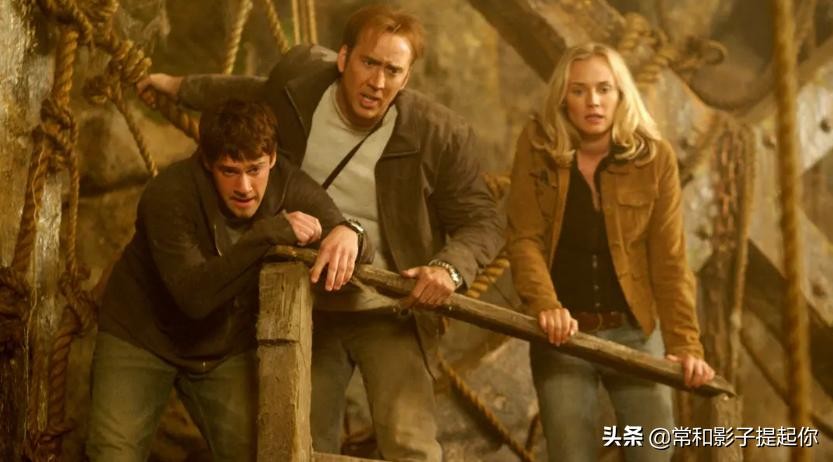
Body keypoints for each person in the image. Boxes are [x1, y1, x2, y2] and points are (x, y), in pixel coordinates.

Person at [139, 4, 504, 461]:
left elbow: (483, 220)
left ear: (407, 77)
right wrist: (179, 87)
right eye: (369, 63)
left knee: (410, 444)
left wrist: (448, 269)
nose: (377, 82)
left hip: (390, 304)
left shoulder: (439, 134)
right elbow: (252, 92)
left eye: (393, 70)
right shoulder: (300, 84)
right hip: (305, 298)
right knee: (300, 441)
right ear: (343, 57)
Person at [86, 99, 366, 461]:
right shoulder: (170, 193)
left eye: (255, 169)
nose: (244, 186)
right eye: (230, 171)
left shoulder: (287, 183)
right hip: (140, 336)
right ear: (207, 162)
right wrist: (267, 234)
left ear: (272, 159)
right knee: (111, 455)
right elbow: (194, 298)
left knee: (260, 454)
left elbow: (349, 238)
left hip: (222, 348)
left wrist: (351, 232)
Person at [506, 42, 715, 462]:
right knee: (571, 455)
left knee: (653, 452)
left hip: (635, 331)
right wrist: (546, 306)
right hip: (562, 335)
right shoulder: (538, 146)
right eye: (579, 90)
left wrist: (686, 345)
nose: (593, 101)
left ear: (621, 94)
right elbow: (524, 237)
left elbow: (670, 260)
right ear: (563, 97)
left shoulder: (654, 158)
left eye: (604, 89)